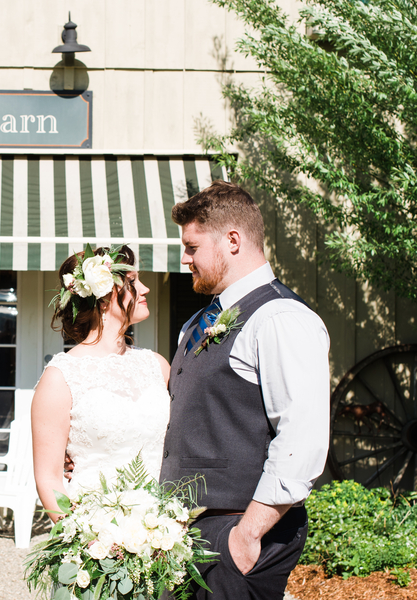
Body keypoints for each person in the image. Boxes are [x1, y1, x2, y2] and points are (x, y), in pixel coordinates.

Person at [160, 180, 330, 599]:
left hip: (236, 539)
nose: (185, 260)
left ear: (232, 241)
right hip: (184, 540)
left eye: (192, 247)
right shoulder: (194, 324)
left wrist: (246, 535)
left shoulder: (280, 319)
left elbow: (301, 439)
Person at [31, 245, 171, 521]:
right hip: (95, 532)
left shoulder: (158, 365)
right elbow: (49, 480)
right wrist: (85, 544)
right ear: (103, 298)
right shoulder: (61, 377)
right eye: (132, 283)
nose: (145, 289)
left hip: (162, 530)